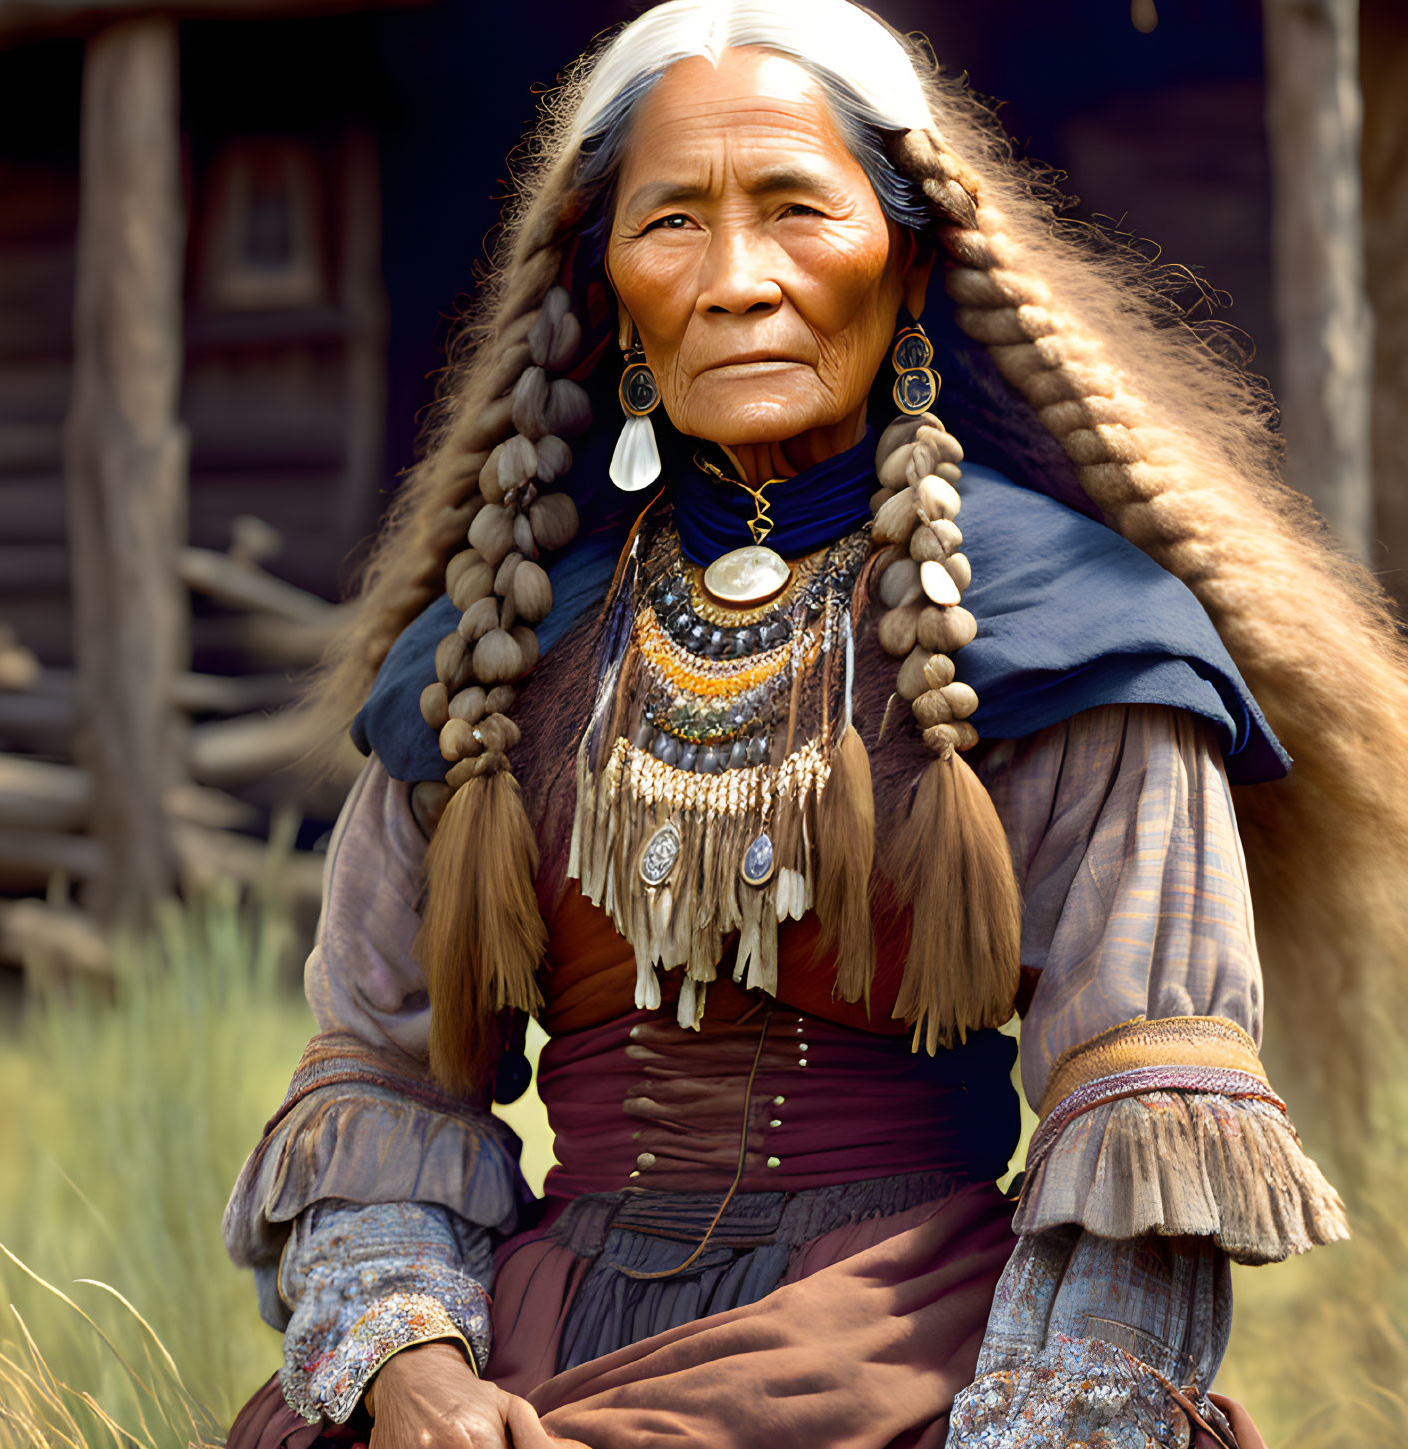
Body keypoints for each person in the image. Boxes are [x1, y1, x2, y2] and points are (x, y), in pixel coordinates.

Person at [222, 2, 1408, 1445]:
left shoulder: (1073, 636)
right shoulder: (488, 667)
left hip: (920, 1359)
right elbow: (379, 1087)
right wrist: (413, 1373)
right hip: (519, 1360)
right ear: (607, 286)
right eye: (671, 223)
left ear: (908, 259)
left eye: (796, 209)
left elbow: (1134, 1154)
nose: (736, 280)